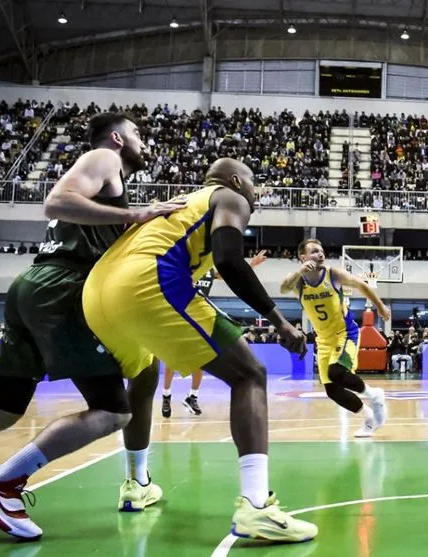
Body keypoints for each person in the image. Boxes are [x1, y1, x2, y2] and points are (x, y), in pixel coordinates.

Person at [0, 113, 184, 541]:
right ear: (117, 138)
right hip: (63, 290)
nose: (144, 142)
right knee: (114, 411)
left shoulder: (108, 179)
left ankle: (4, 483)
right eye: (137, 134)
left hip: (32, 287)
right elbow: (56, 201)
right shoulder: (103, 157)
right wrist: (137, 215)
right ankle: (2, 483)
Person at [81, 157, 317, 541]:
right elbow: (229, 258)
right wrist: (280, 320)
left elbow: (215, 262)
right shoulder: (230, 197)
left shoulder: (184, 203)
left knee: (143, 378)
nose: (255, 194)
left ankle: (136, 483)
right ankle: (256, 507)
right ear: (238, 180)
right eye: (254, 184)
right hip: (148, 282)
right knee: (250, 374)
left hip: (97, 293)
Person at [280, 239, 389, 438]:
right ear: (302, 257)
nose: (320, 254)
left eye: (321, 251)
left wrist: (380, 307)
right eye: (314, 252)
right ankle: (369, 418)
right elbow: (283, 288)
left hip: (345, 333)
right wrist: (299, 272)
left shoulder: (333, 274)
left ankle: (374, 395)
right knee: (332, 390)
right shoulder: (298, 281)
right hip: (323, 340)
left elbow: (362, 286)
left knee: (336, 371)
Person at [160, 251, 267, 418]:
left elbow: (227, 275)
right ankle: (166, 396)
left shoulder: (210, 270)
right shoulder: (187, 267)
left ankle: (192, 397)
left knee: (201, 361)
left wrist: (251, 265)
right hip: (178, 317)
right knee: (170, 365)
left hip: (199, 319)